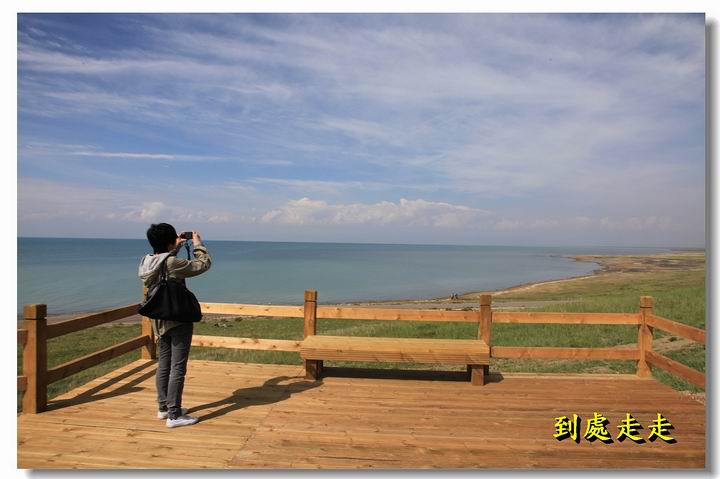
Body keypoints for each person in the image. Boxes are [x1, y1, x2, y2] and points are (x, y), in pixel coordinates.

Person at [138, 223, 211, 428]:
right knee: (178, 367)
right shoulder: (171, 263)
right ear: (170, 241)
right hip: (177, 318)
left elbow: (166, 262)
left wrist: (174, 246)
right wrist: (198, 244)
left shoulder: (148, 261)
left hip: (159, 319)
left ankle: (164, 408)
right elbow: (203, 264)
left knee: (164, 364)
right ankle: (174, 415)